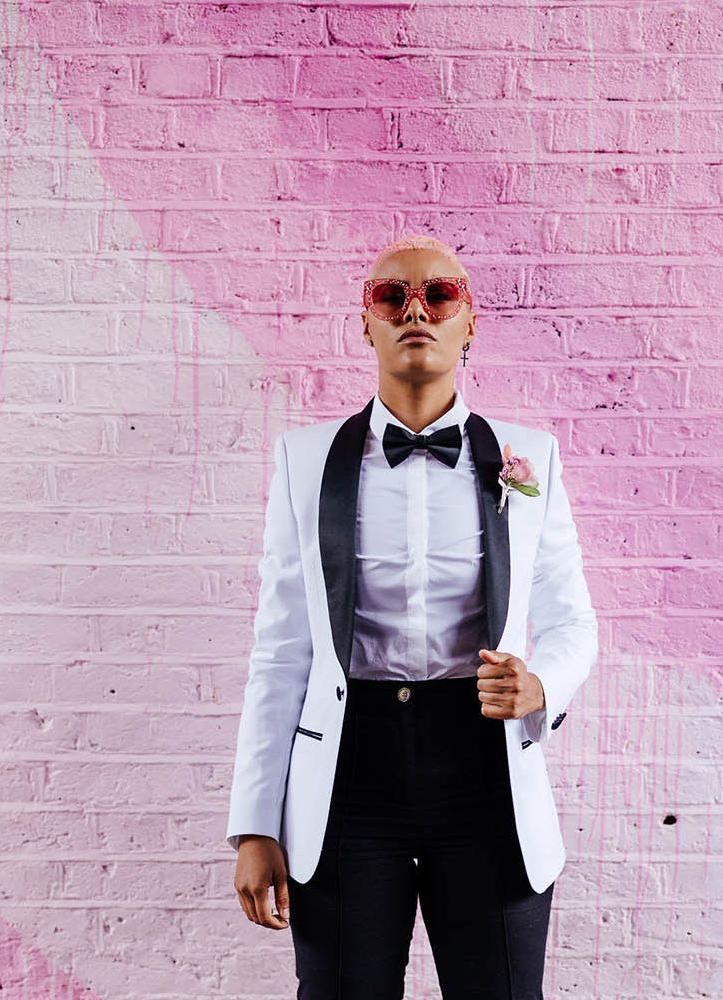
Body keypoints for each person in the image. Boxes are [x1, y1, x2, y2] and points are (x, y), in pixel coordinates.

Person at [227, 233, 599, 999]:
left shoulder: (532, 459)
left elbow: (571, 622)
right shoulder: (305, 460)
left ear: (471, 322)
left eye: (440, 294)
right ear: (366, 324)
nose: (416, 309)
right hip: (349, 775)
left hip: (485, 770)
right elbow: (280, 650)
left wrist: (540, 688)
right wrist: (255, 821)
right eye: (391, 296)